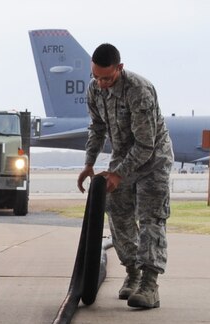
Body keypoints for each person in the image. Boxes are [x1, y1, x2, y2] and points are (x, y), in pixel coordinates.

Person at [76, 43, 173, 309]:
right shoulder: (95, 89)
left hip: (153, 160)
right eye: (96, 76)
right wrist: (89, 163)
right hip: (123, 155)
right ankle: (132, 273)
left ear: (120, 67)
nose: (101, 83)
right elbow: (96, 128)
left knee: (151, 218)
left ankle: (149, 285)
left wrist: (118, 174)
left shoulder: (139, 91)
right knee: (116, 211)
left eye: (107, 77)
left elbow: (145, 145)